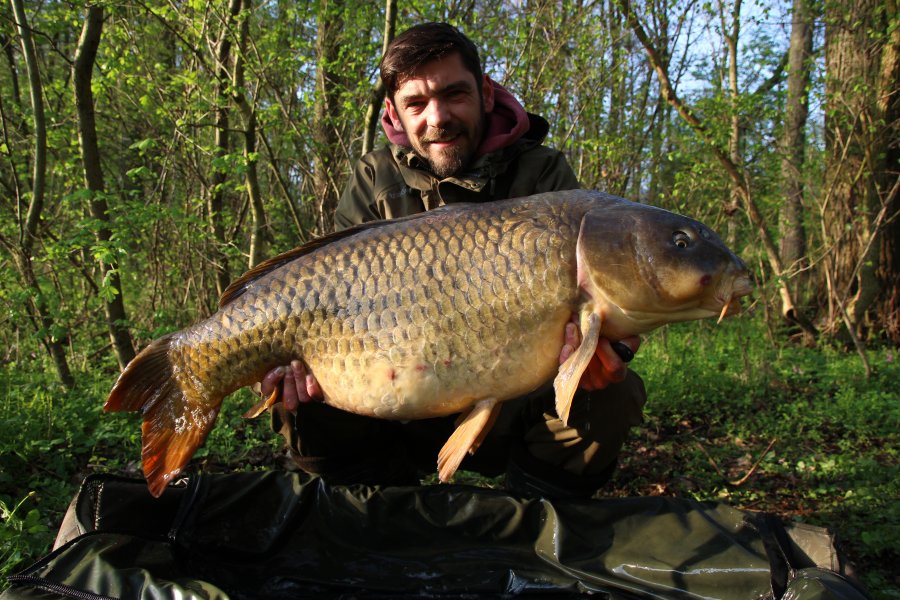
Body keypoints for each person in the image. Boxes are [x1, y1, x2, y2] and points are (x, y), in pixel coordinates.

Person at [261, 22, 646, 498]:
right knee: (295, 394)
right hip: (393, 404)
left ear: (485, 93)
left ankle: (534, 521)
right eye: (416, 104)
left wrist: (606, 350)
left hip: (511, 403)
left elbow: (599, 307)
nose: (437, 117)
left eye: (454, 94)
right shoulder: (374, 178)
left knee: (610, 393)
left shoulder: (544, 174)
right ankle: (383, 513)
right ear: (394, 113)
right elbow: (334, 296)